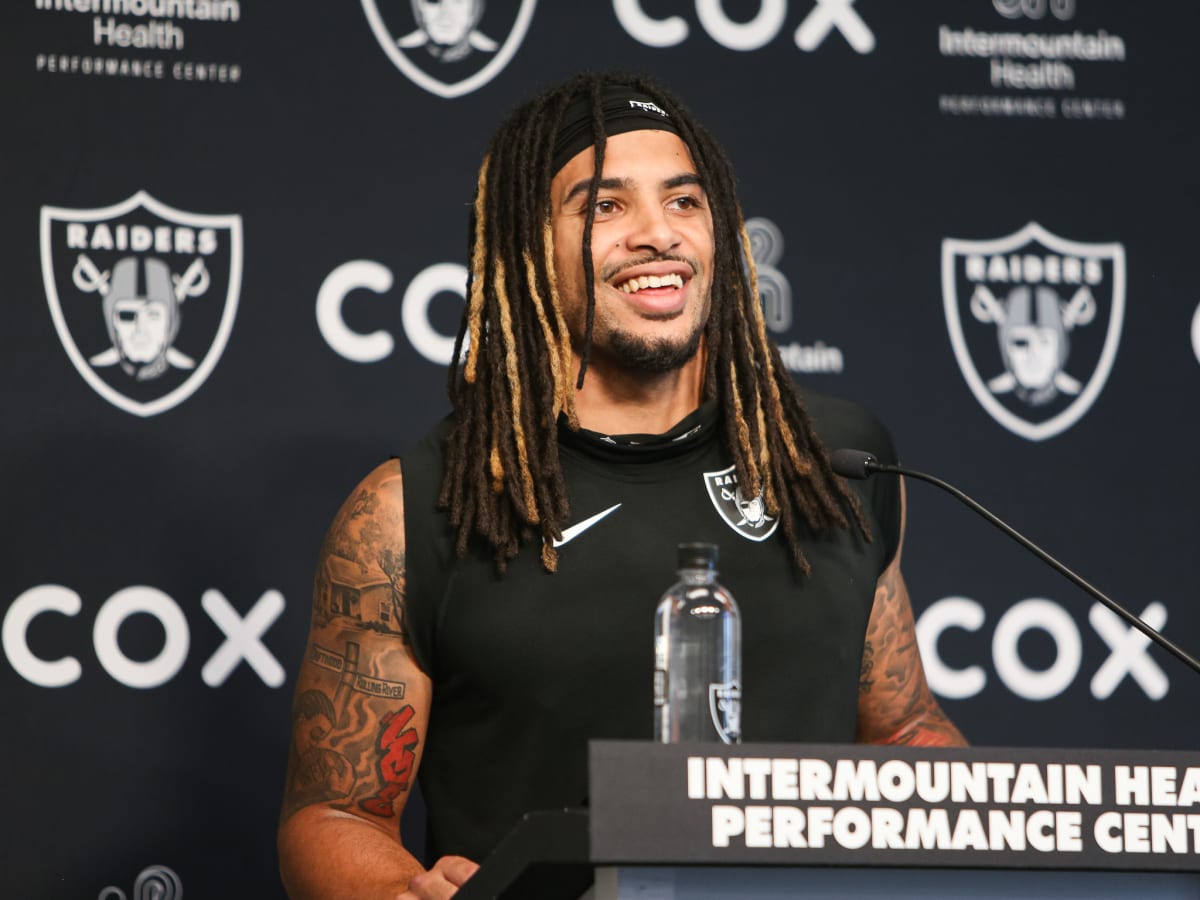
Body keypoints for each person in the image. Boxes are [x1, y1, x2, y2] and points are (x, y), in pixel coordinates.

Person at [277, 71, 966, 899]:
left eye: (684, 201)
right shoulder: (411, 512)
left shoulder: (834, 464)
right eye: (605, 206)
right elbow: (336, 815)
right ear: (530, 248)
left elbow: (902, 731)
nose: (657, 235)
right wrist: (402, 892)